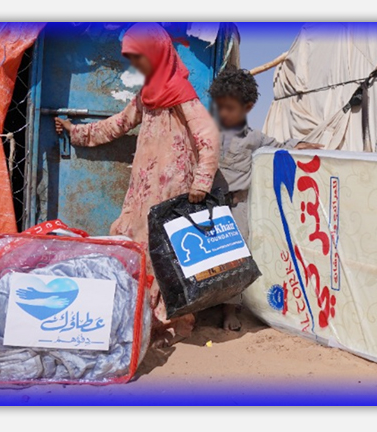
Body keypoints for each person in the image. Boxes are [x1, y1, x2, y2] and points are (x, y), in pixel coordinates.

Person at [54, 23, 218, 345]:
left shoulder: (180, 92)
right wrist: (76, 132)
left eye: (138, 56)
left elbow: (208, 136)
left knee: (167, 253)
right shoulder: (148, 95)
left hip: (173, 188)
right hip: (145, 188)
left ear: (156, 53)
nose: (135, 64)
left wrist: (202, 181)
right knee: (135, 242)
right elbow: (118, 124)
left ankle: (170, 321)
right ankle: (144, 317)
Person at [208, 67, 323, 331]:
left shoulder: (254, 138)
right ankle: (201, 306)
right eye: (220, 107)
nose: (223, 113)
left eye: (230, 108)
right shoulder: (207, 131)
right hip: (207, 205)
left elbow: (278, 147)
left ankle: (229, 309)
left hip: (237, 206)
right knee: (206, 254)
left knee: (236, 256)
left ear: (247, 107)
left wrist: (297, 145)